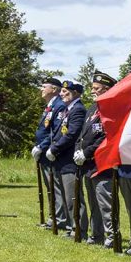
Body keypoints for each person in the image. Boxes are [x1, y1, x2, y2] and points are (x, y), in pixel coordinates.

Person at [74, 71, 116, 247]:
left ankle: (112, 236)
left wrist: (87, 152)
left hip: (102, 164)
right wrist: (78, 151)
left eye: (96, 88)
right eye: (92, 88)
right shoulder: (93, 108)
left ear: (106, 89)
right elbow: (82, 135)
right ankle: (97, 234)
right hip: (88, 165)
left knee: (105, 203)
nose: (92, 91)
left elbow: (105, 137)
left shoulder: (111, 108)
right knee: (94, 203)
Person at [46, 80, 88, 240]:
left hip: (70, 159)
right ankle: (71, 227)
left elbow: (71, 134)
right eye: (62, 91)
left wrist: (54, 148)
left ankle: (79, 230)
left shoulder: (78, 110)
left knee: (73, 197)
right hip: (61, 159)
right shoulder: (67, 109)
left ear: (76, 93)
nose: (62, 94)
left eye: (66, 92)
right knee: (65, 196)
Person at [32, 77, 68, 230]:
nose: (41, 89)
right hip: (44, 153)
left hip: (50, 153)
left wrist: (42, 146)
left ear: (53, 89)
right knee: (50, 187)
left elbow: (55, 131)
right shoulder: (50, 106)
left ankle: (59, 220)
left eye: (44, 86)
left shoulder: (59, 106)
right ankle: (53, 217)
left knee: (55, 187)